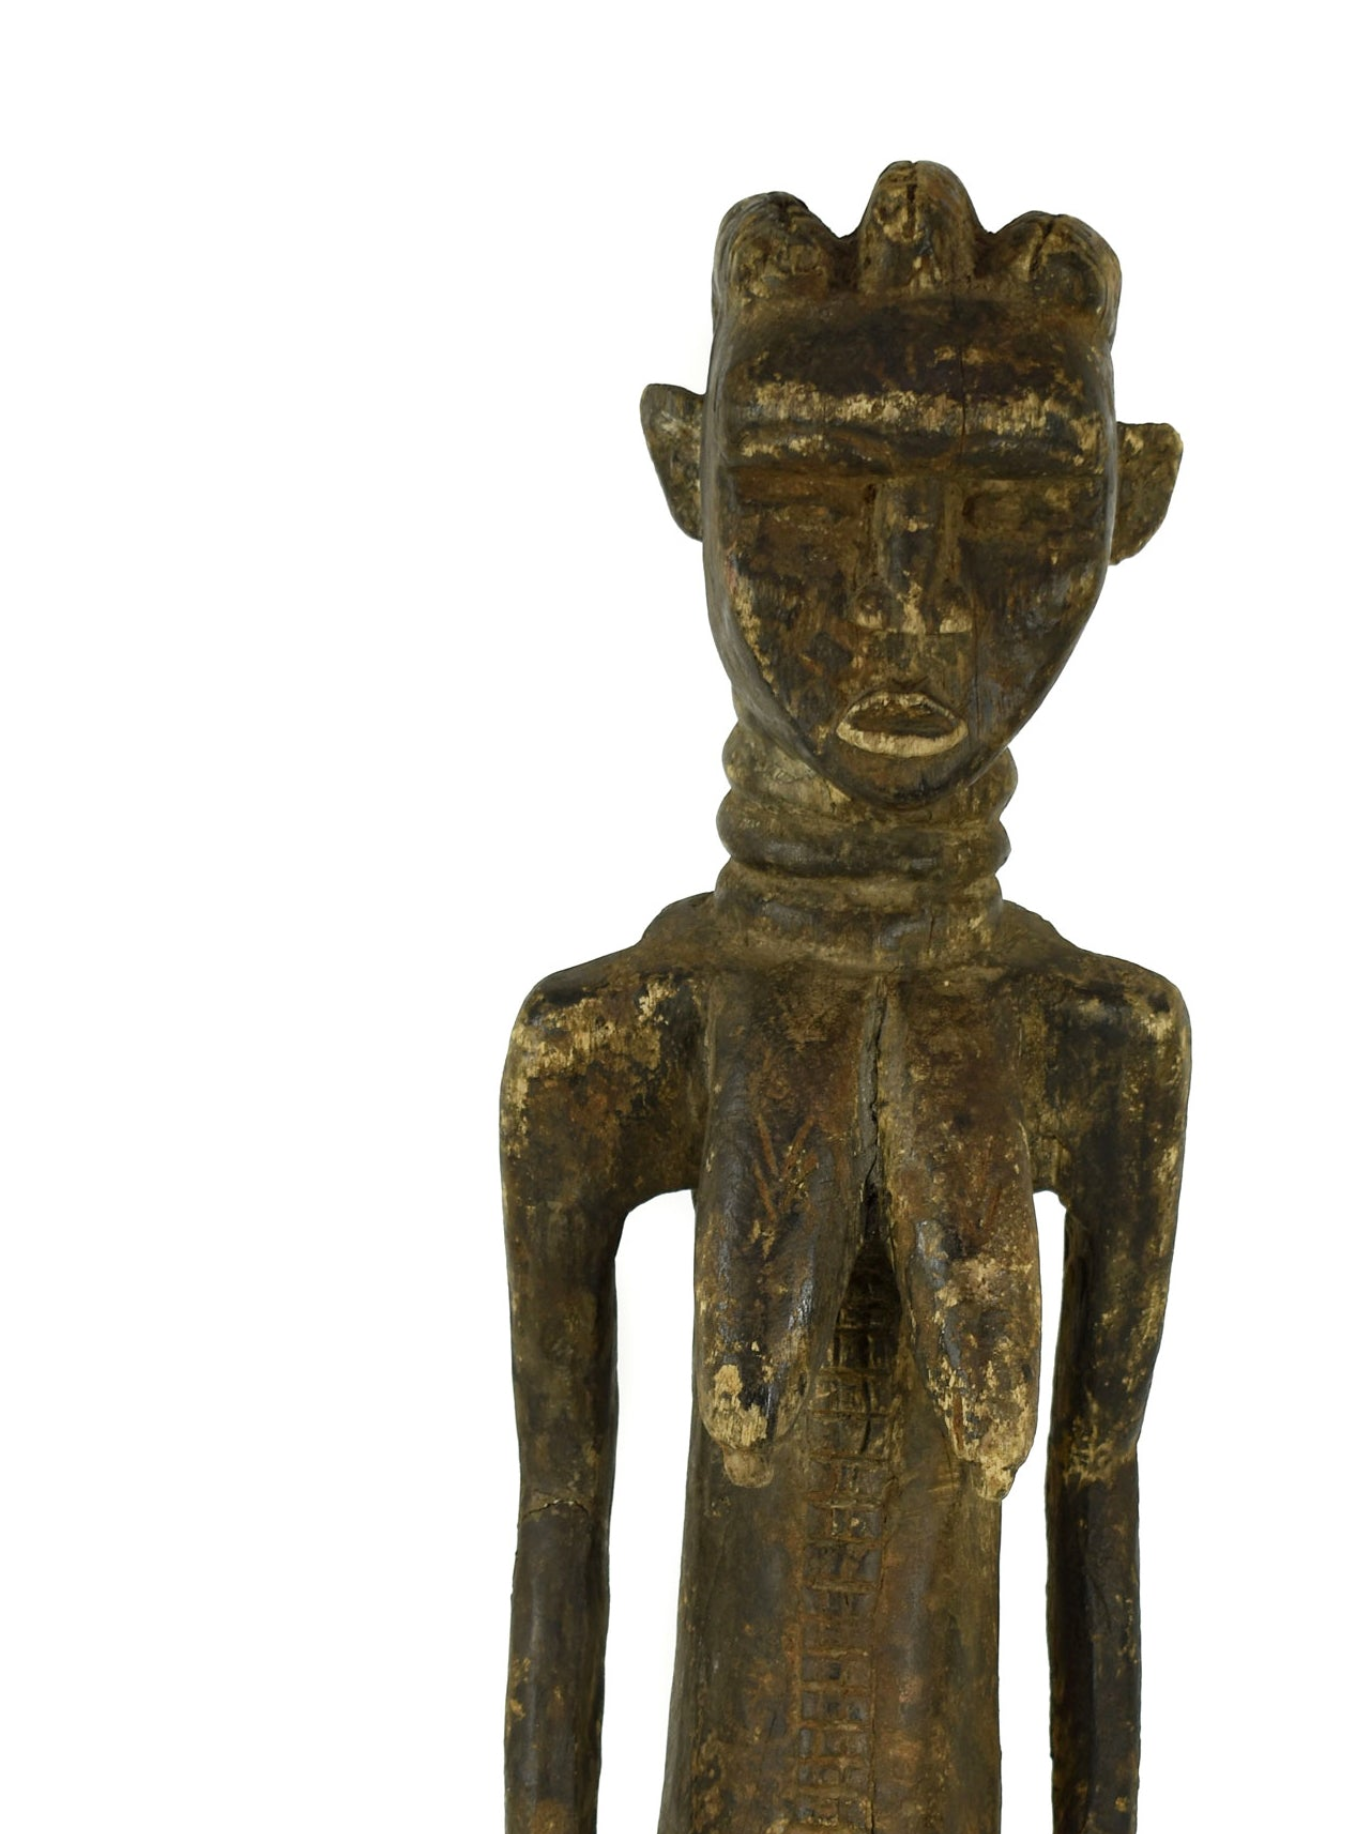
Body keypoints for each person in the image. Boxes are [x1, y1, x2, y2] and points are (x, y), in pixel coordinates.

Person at [502, 160, 1188, 1834]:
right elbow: (559, 1521)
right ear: (692, 472)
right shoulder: (608, 1040)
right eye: (810, 498)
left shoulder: (1104, 1040)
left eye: (1012, 507)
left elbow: (1096, 1504)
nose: (911, 598)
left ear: (1128, 503)